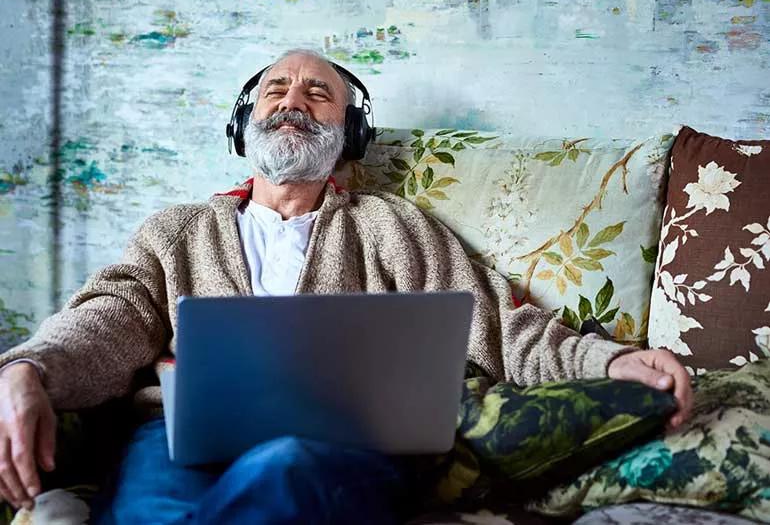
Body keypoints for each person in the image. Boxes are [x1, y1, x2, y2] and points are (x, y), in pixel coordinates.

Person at [0, 49, 693, 524]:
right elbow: (108, 315)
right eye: (276, 88)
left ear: (349, 132)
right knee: (155, 504)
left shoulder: (394, 228)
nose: (292, 101)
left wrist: (609, 360)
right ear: (244, 122)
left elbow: (502, 327)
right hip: (178, 440)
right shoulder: (175, 231)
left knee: (287, 467)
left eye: (317, 92)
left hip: (335, 442)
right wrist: (33, 367)